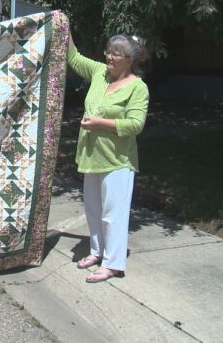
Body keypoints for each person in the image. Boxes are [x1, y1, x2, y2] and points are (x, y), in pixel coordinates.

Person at [67, 33, 150, 283]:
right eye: (108, 51)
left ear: (130, 59)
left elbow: (135, 124)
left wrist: (100, 123)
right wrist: (63, 24)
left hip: (117, 159)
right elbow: (73, 57)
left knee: (114, 213)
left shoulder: (137, 87)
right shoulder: (99, 72)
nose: (109, 57)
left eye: (115, 53)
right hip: (91, 155)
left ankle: (113, 264)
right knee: (93, 210)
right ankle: (97, 251)